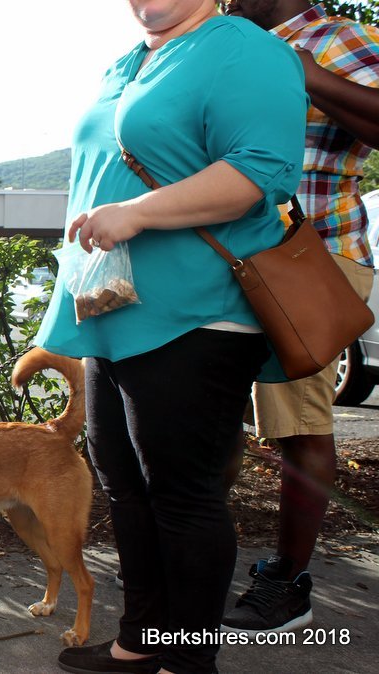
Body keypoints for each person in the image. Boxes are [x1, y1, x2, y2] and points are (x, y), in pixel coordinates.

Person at [35, 1, 306, 672]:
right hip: (114, 309)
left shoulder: (242, 47)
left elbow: (261, 170)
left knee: (183, 496)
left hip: (196, 311)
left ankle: (186, 662)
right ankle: (141, 642)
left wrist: (137, 213)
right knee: (125, 485)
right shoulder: (129, 62)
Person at [220, 0, 379, 636]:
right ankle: (194, 561)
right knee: (205, 417)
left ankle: (287, 585)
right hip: (229, 261)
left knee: (298, 424)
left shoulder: (337, 38)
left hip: (309, 260)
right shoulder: (224, 41)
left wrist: (306, 72)